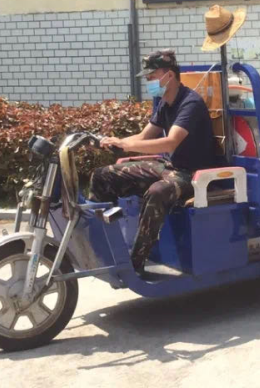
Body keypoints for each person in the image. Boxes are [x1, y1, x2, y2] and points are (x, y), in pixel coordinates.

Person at [89, 49, 216, 276]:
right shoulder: (164, 102)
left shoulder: (190, 103)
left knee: (158, 192)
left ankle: (135, 264)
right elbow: (144, 136)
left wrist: (127, 145)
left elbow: (170, 142)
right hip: (170, 167)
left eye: (152, 76)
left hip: (194, 173)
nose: (148, 81)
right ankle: (103, 245)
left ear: (169, 75)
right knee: (103, 175)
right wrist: (116, 141)